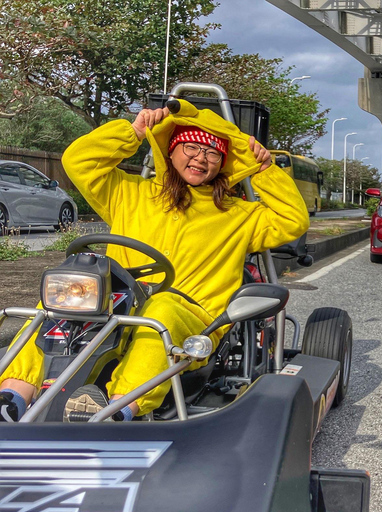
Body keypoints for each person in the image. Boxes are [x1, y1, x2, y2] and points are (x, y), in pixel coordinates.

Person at [0, 99, 309, 422]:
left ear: (223, 163)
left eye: (213, 153)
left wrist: (262, 168)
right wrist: (131, 132)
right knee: (63, 297)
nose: (200, 158)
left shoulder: (240, 214)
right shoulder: (130, 192)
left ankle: (118, 411)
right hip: (115, 304)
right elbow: (77, 160)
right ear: (170, 151)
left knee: (161, 308)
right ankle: (11, 399)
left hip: (190, 314)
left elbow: (293, 221)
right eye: (191, 147)